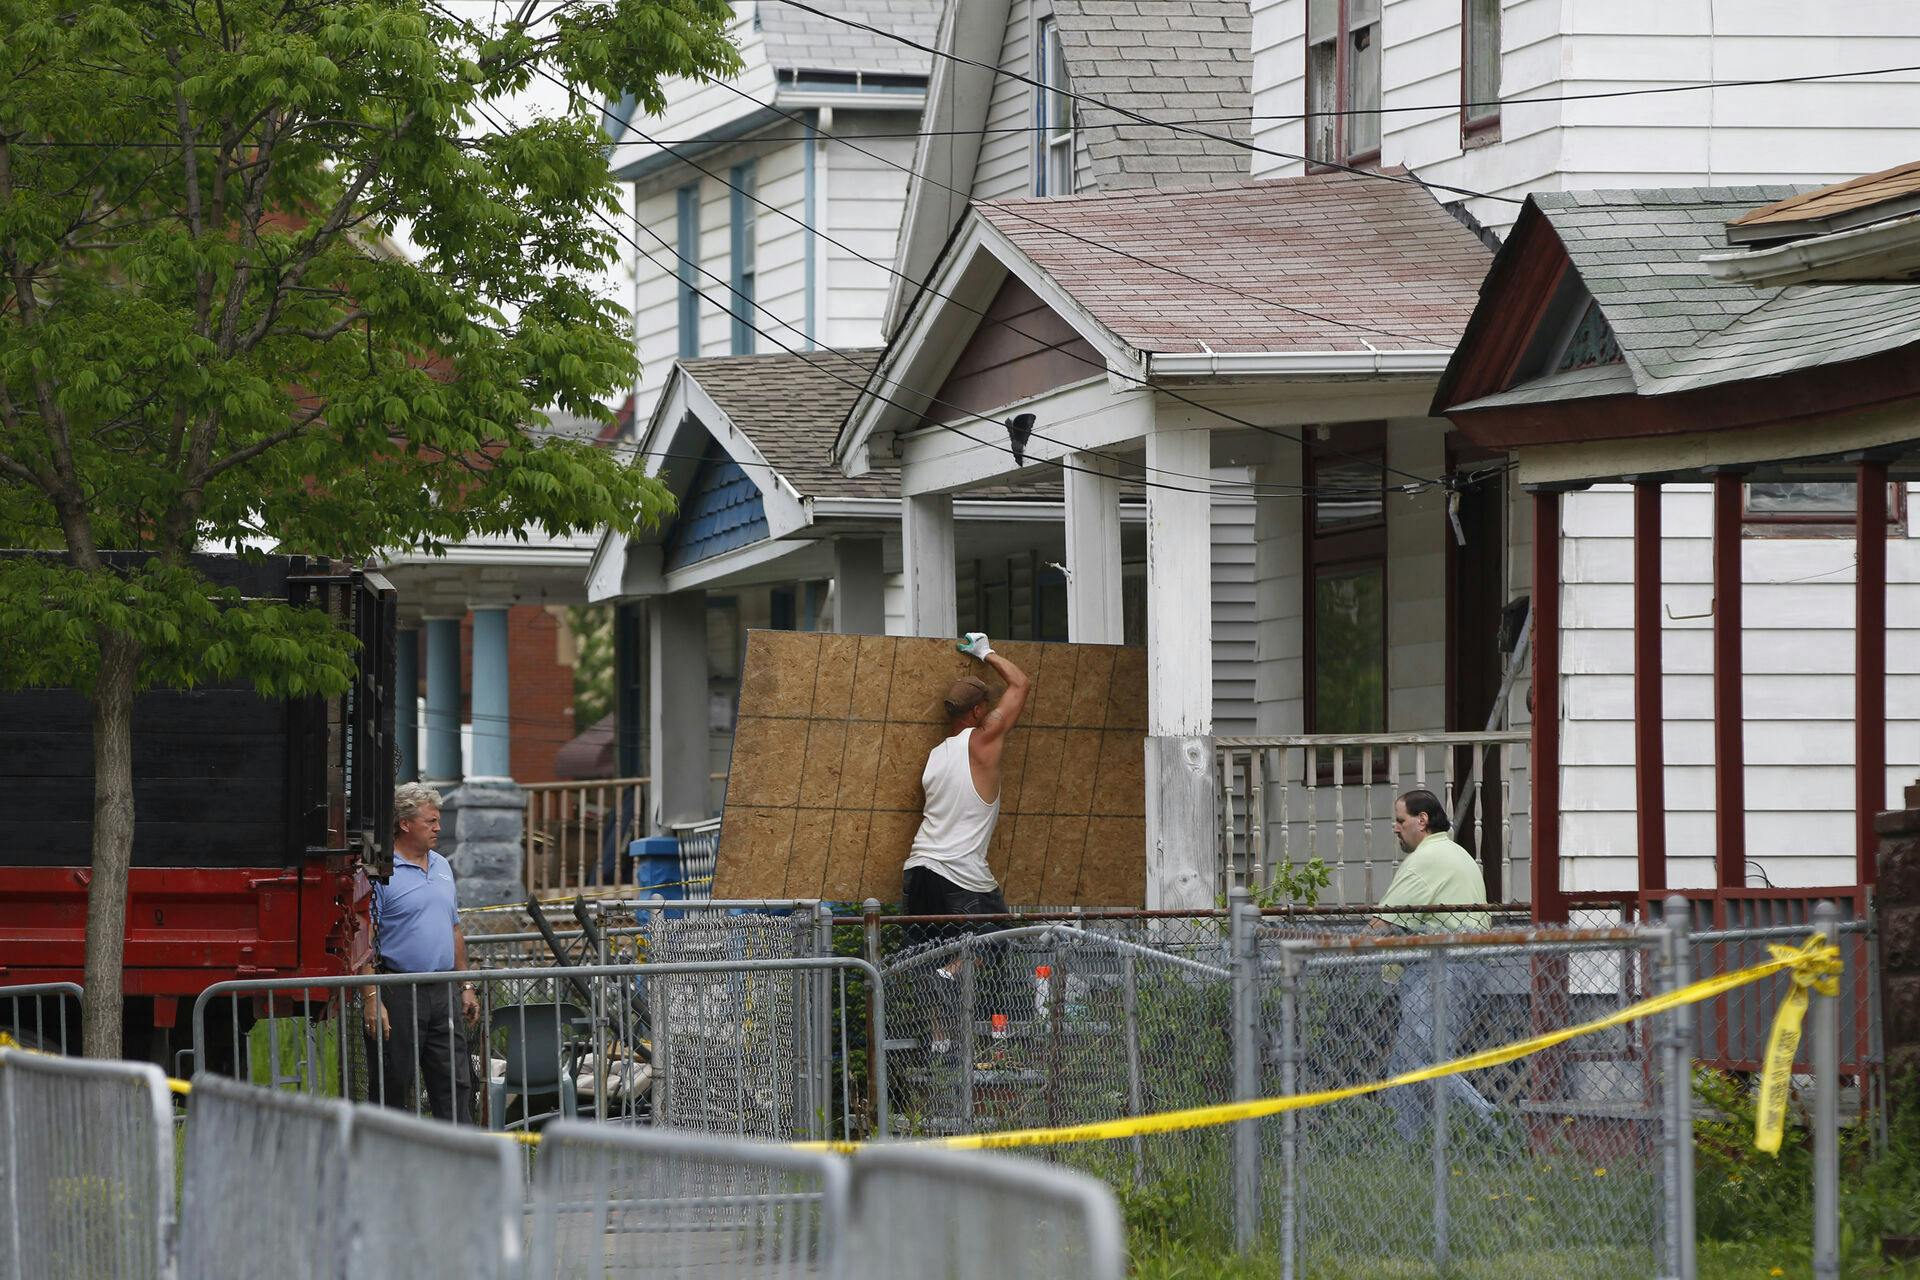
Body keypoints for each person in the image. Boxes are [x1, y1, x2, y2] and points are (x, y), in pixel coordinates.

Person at [1372, 789, 1498, 1143]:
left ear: (1422, 821)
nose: (1396, 828)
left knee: (1427, 1060)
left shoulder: (1426, 860)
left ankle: (1494, 1128)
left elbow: (1383, 922)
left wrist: (1336, 950)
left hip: (1442, 968)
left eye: (1401, 820)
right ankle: (1412, 1145)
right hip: (1457, 966)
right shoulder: (1456, 854)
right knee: (1408, 1063)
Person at [360, 782, 478, 1123]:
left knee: (455, 1083)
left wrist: (465, 985)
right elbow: (363, 938)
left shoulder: (441, 864)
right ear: (405, 823)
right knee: (393, 1084)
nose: (439, 828)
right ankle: (387, 1164)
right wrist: (371, 997)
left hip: (443, 990)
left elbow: (453, 927)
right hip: (399, 989)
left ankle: (458, 1161)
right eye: (431, 821)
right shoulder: (380, 871)